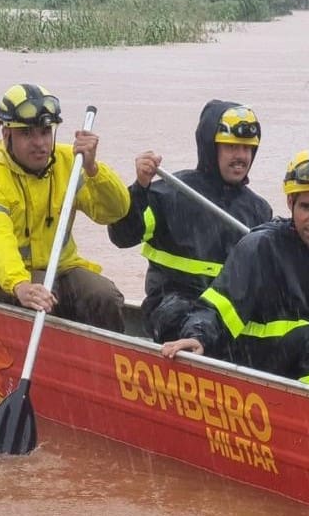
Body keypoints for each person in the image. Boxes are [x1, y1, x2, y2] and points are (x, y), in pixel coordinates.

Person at [161, 148, 309, 388]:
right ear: (291, 203)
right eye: (306, 207)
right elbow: (218, 309)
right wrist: (197, 337)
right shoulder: (260, 248)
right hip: (260, 366)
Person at [0, 83, 130, 332]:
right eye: (27, 133)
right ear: (6, 135)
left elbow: (116, 211)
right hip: (4, 278)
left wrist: (93, 170)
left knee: (104, 296)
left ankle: (107, 362)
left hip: (63, 269)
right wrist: (19, 284)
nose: (39, 143)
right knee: (40, 296)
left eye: (45, 132)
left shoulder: (72, 162)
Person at [108, 100, 272, 342]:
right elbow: (123, 236)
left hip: (226, 310)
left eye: (247, 149)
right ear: (209, 147)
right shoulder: (169, 193)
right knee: (188, 319)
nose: (241, 157)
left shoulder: (260, 210)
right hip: (171, 305)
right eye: (231, 147)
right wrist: (139, 188)